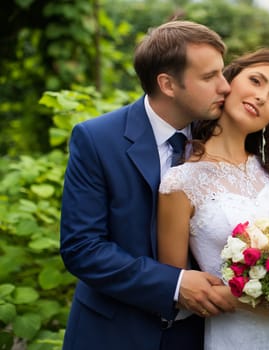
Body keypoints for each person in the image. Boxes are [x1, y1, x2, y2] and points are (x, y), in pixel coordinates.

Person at [59, 20, 236, 350]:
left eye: (222, 73)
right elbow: (82, 247)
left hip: (201, 335)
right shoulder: (96, 139)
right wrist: (174, 284)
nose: (225, 87)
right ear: (168, 84)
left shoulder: (222, 134)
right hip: (112, 333)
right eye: (209, 77)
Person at [157, 48, 269, 349]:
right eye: (256, 81)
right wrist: (262, 302)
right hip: (236, 335)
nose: (262, 97)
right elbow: (177, 288)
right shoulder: (180, 181)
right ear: (229, 81)